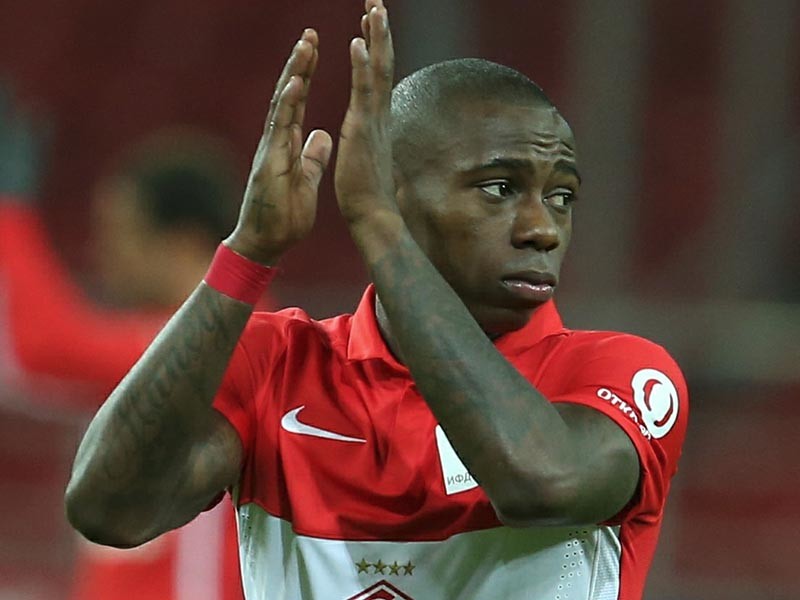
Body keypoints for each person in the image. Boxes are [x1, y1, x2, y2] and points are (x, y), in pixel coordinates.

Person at [65, 1, 689, 598]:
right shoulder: (278, 364)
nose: (542, 229)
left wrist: (377, 223)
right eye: (500, 188)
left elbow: (542, 482)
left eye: (561, 196)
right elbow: (109, 511)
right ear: (395, 190)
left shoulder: (621, 373)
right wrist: (248, 254)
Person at [0, 91, 248, 599]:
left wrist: (11, 213)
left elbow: (44, 349)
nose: (101, 253)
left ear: (182, 242)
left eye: (120, 232)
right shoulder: (198, 338)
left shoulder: (228, 346)